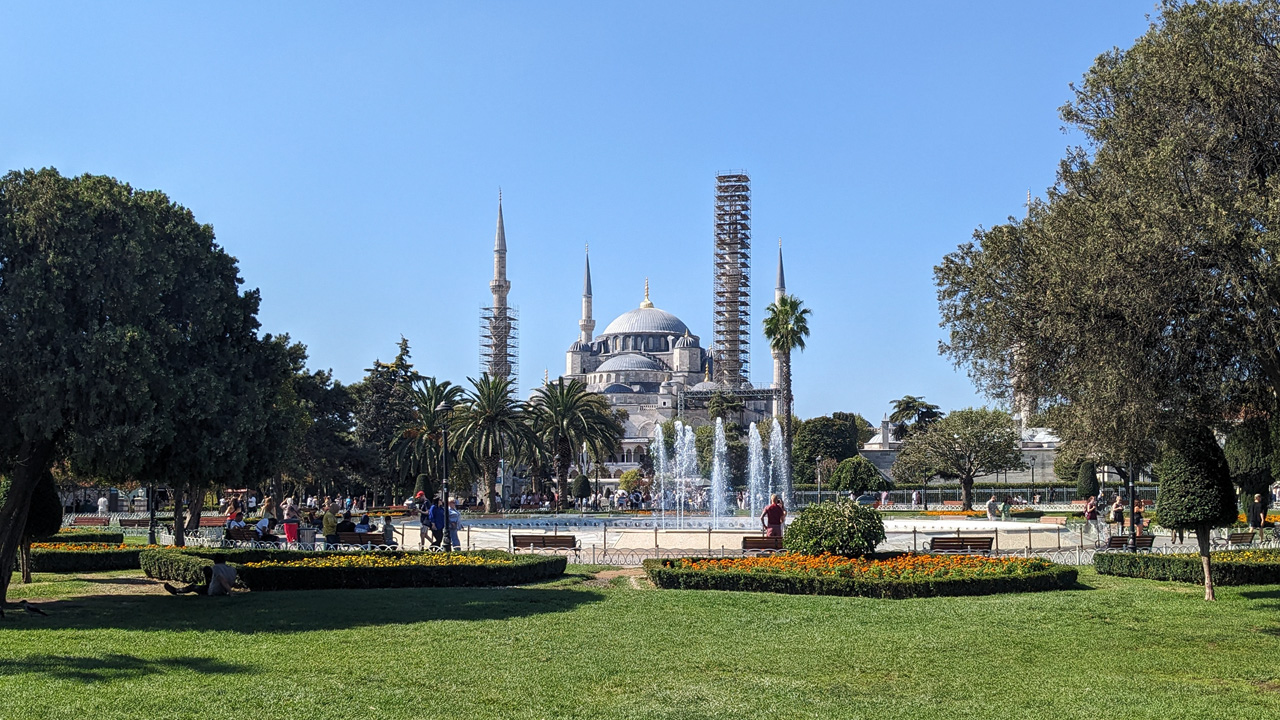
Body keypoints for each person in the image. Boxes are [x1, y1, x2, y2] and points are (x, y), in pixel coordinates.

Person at [164, 556, 237, 596]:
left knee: (193, 586)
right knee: (207, 571)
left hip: (214, 591)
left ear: (215, 562)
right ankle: (208, 585)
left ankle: (176, 590)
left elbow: (222, 579)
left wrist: (231, 593)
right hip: (222, 589)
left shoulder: (216, 567)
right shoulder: (232, 569)